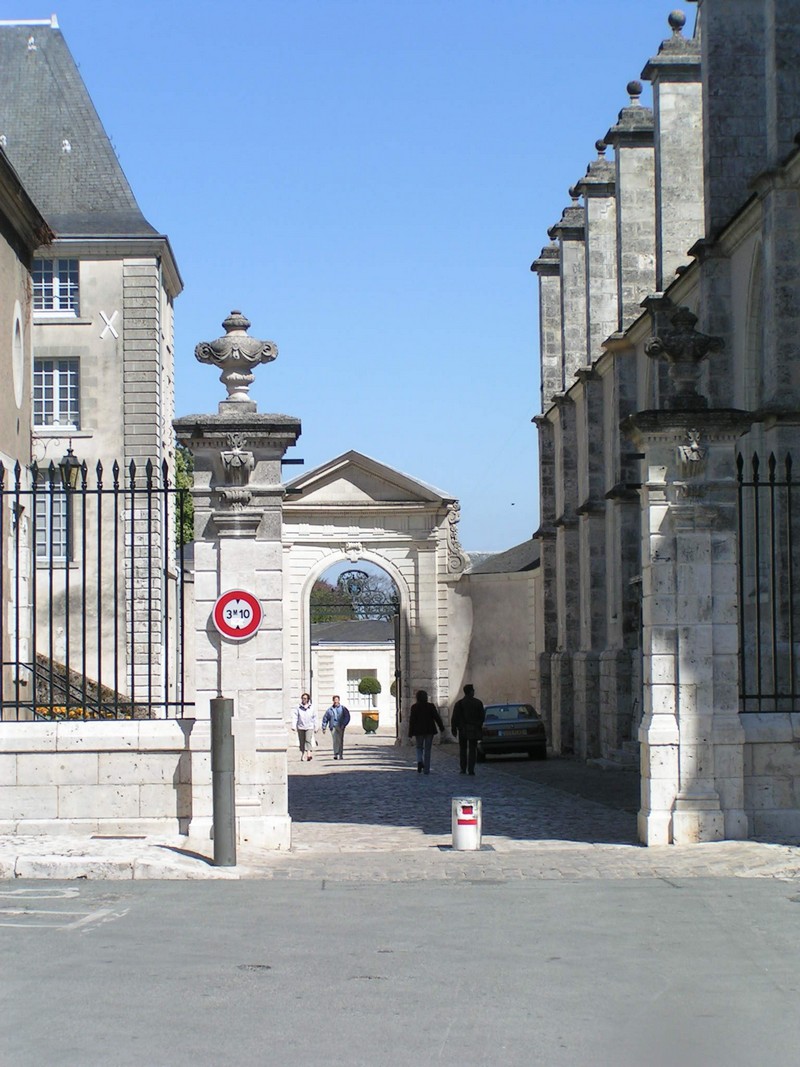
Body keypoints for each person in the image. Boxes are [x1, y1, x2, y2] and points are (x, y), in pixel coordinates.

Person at [450, 683, 485, 775]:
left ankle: (463, 768)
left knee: (463, 749)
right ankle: (471, 769)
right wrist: (478, 725)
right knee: (472, 749)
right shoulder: (478, 703)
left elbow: (454, 718)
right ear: (470, 692)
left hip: (462, 729)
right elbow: (482, 717)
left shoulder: (459, 703)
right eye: (473, 690)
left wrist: (454, 729)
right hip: (473, 729)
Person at [407, 689, 444, 775]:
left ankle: (419, 760)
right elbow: (436, 717)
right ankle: (426, 769)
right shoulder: (430, 706)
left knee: (419, 747)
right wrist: (441, 727)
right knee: (428, 749)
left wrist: (410, 732)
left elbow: (412, 720)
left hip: (418, 731)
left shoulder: (414, 707)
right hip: (429, 730)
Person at [321, 695, 351, 760]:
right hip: (333, 726)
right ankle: (335, 754)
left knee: (340, 740)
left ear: (339, 700)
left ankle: (340, 754)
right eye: (334, 700)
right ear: (333, 701)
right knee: (335, 740)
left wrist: (344, 724)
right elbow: (325, 718)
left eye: (337, 700)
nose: (335, 701)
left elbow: (347, 717)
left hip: (341, 726)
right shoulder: (330, 710)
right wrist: (324, 727)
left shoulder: (343, 708)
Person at [292, 692, 317, 761]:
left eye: (305, 698)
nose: (304, 700)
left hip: (309, 726)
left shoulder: (311, 707)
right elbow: (295, 717)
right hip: (301, 726)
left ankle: (309, 753)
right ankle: (303, 753)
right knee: (302, 741)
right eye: (303, 698)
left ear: (308, 699)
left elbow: (314, 717)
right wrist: (293, 726)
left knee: (308, 740)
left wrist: (316, 726)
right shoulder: (298, 707)